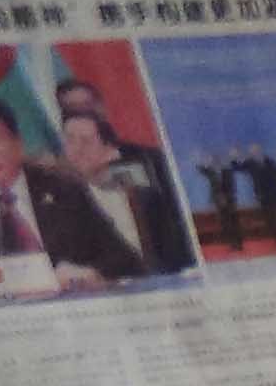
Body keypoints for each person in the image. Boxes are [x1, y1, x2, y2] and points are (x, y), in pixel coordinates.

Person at [27, 79, 186, 285]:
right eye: (69, 108)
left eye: (85, 105)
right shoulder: (55, 184)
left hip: (166, 278)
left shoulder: (150, 162)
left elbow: (176, 231)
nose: (76, 150)